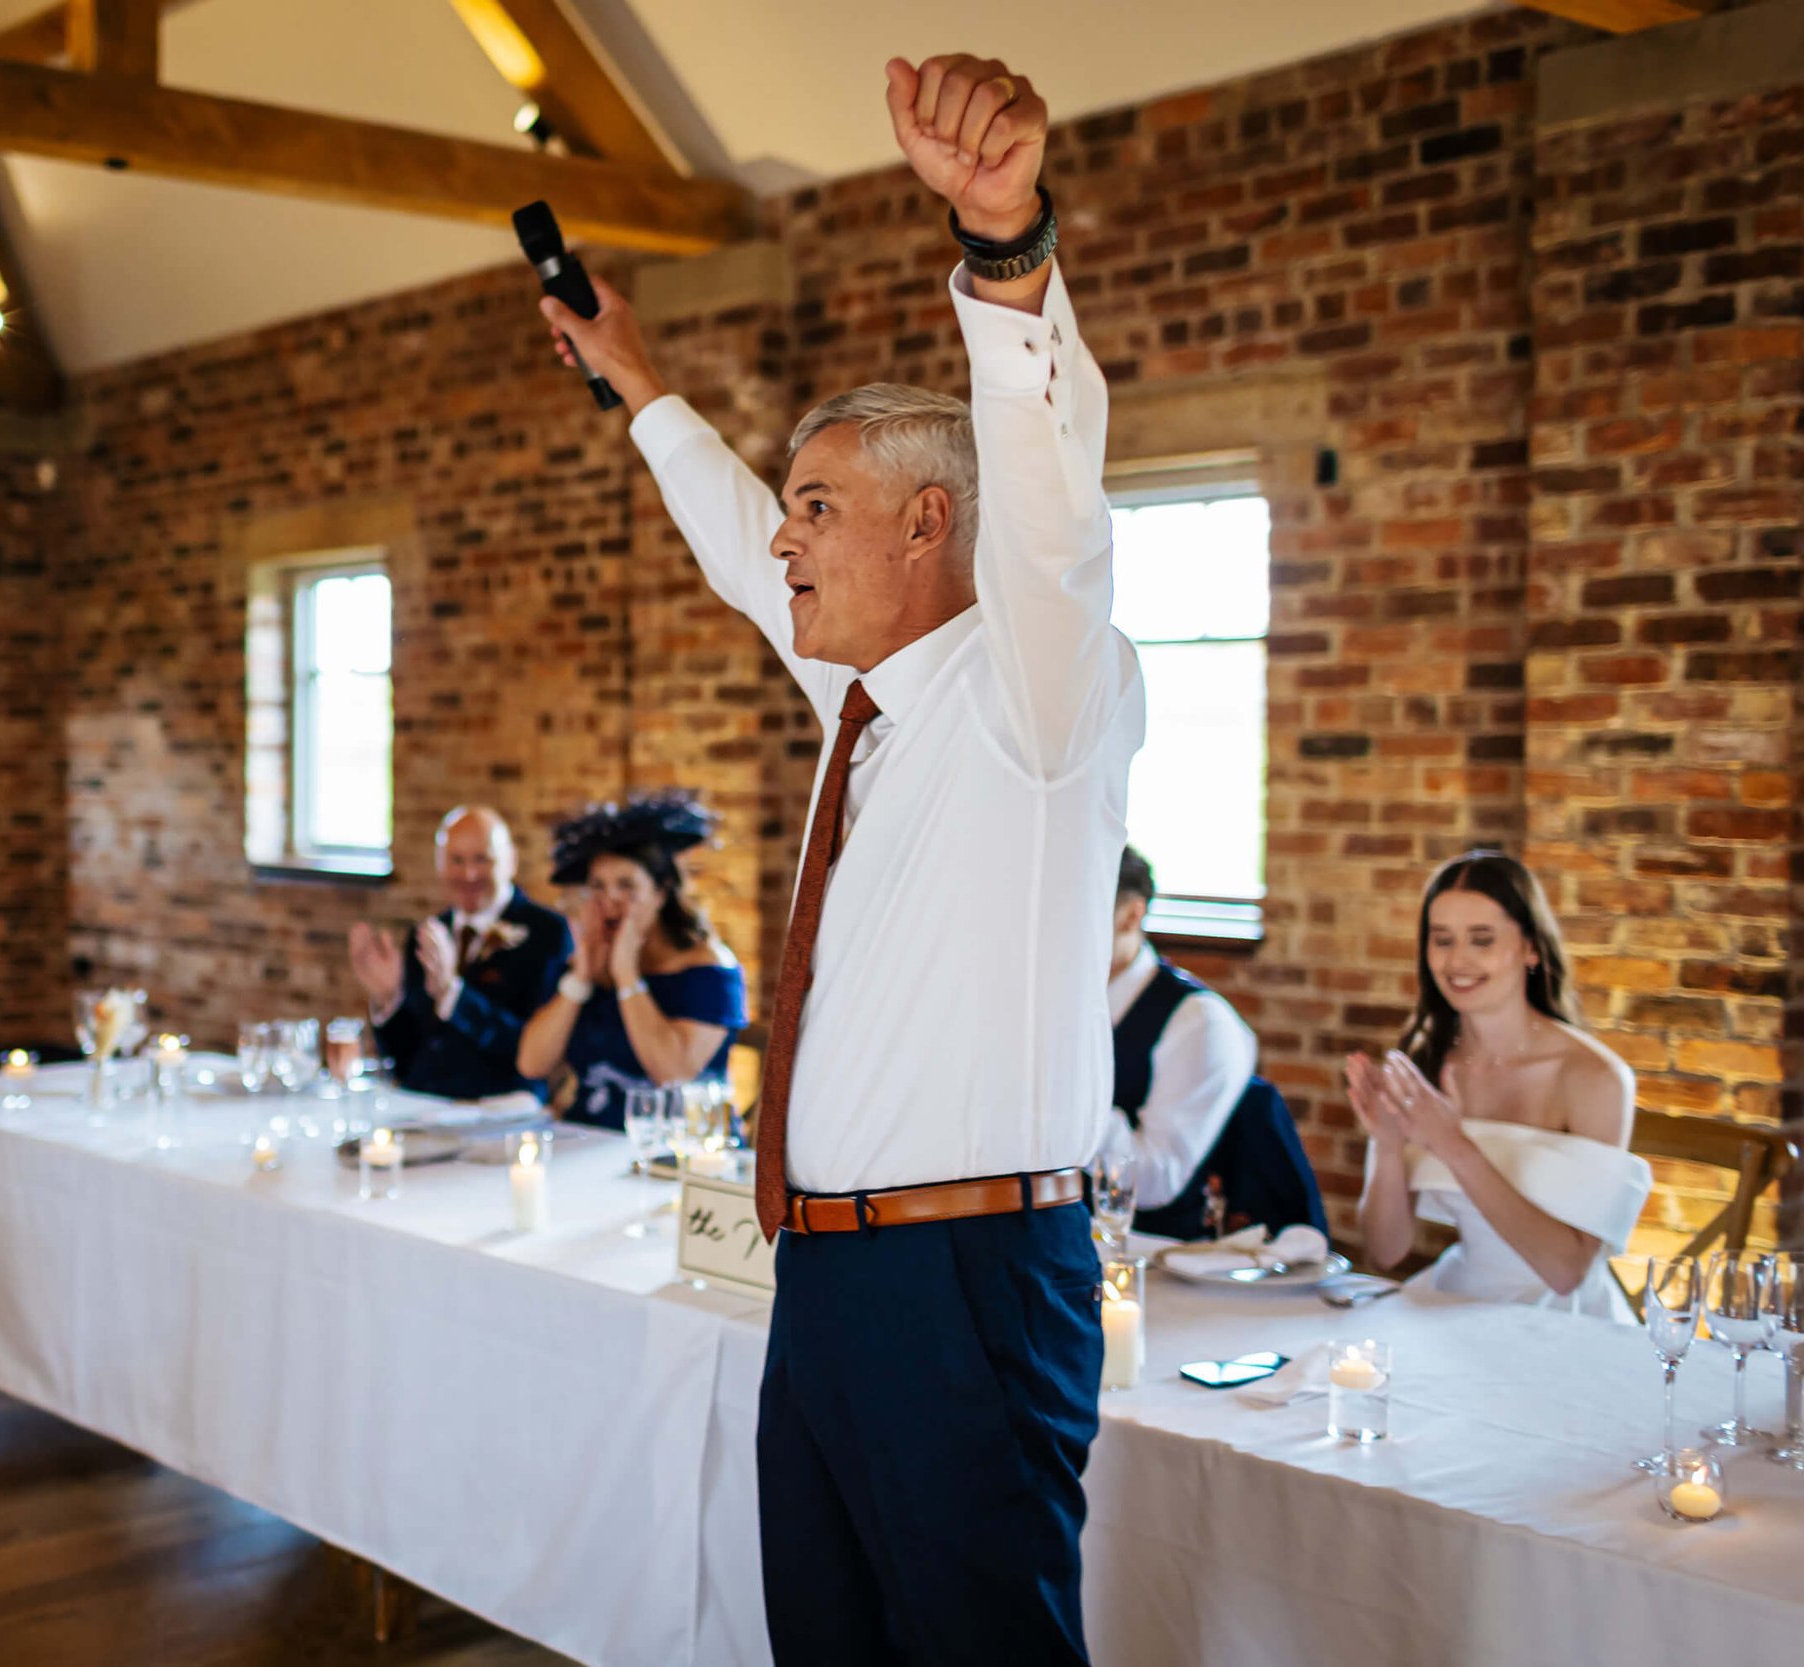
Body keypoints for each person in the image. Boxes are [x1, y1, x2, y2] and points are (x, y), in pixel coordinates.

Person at [542, 52, 1139, 1665]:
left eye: (820, 505)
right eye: (791, 508)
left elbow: (1052, 501)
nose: (787, 537)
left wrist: (1006, 245)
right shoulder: (870, 700)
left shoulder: (1043, 688)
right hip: (827, 1270)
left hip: (968, 1273)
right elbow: (740, 554)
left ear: (932, 522)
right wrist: (643, 383)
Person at [1345, 849, 1651, 1319]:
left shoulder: (1594, 1077)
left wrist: (1454, 1145)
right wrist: (1387, 1146)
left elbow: (1567, 1272)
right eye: (1442, 940)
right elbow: (1384, 1253)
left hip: (1564, 1322)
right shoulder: (1424, 1061)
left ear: (1530, 948)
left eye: (1482, 940)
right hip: (1457, 1301)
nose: (1457, 961)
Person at [1105, 845, 1325, 1240]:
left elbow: (1156, 1179)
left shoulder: (1197, 1022)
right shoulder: (1054, 1006)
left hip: (1165, 1263)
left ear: (1131, 914)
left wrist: (1060, 1108)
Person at [514, 790, 747, 1128]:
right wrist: (581, 977)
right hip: (589, 1139)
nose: (610, 900)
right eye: (598, 886)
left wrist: (627, 976)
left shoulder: (710, 969)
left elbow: (673, 1073)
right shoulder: (583, 966)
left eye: (626, 885)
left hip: (679, 1148)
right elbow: (531, 1063)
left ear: (661, 892)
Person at [348, 805, 572, 1102]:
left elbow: (534, 1051)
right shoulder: (426, 933)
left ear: (511, 861)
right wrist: (390, 1001)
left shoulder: (547, 932)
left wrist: (454, 995)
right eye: (457, 860)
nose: (469, 874)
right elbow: (405, 1059)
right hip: (423, 1106)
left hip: (502, 1109)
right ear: (440, 865)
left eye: (482, 859)